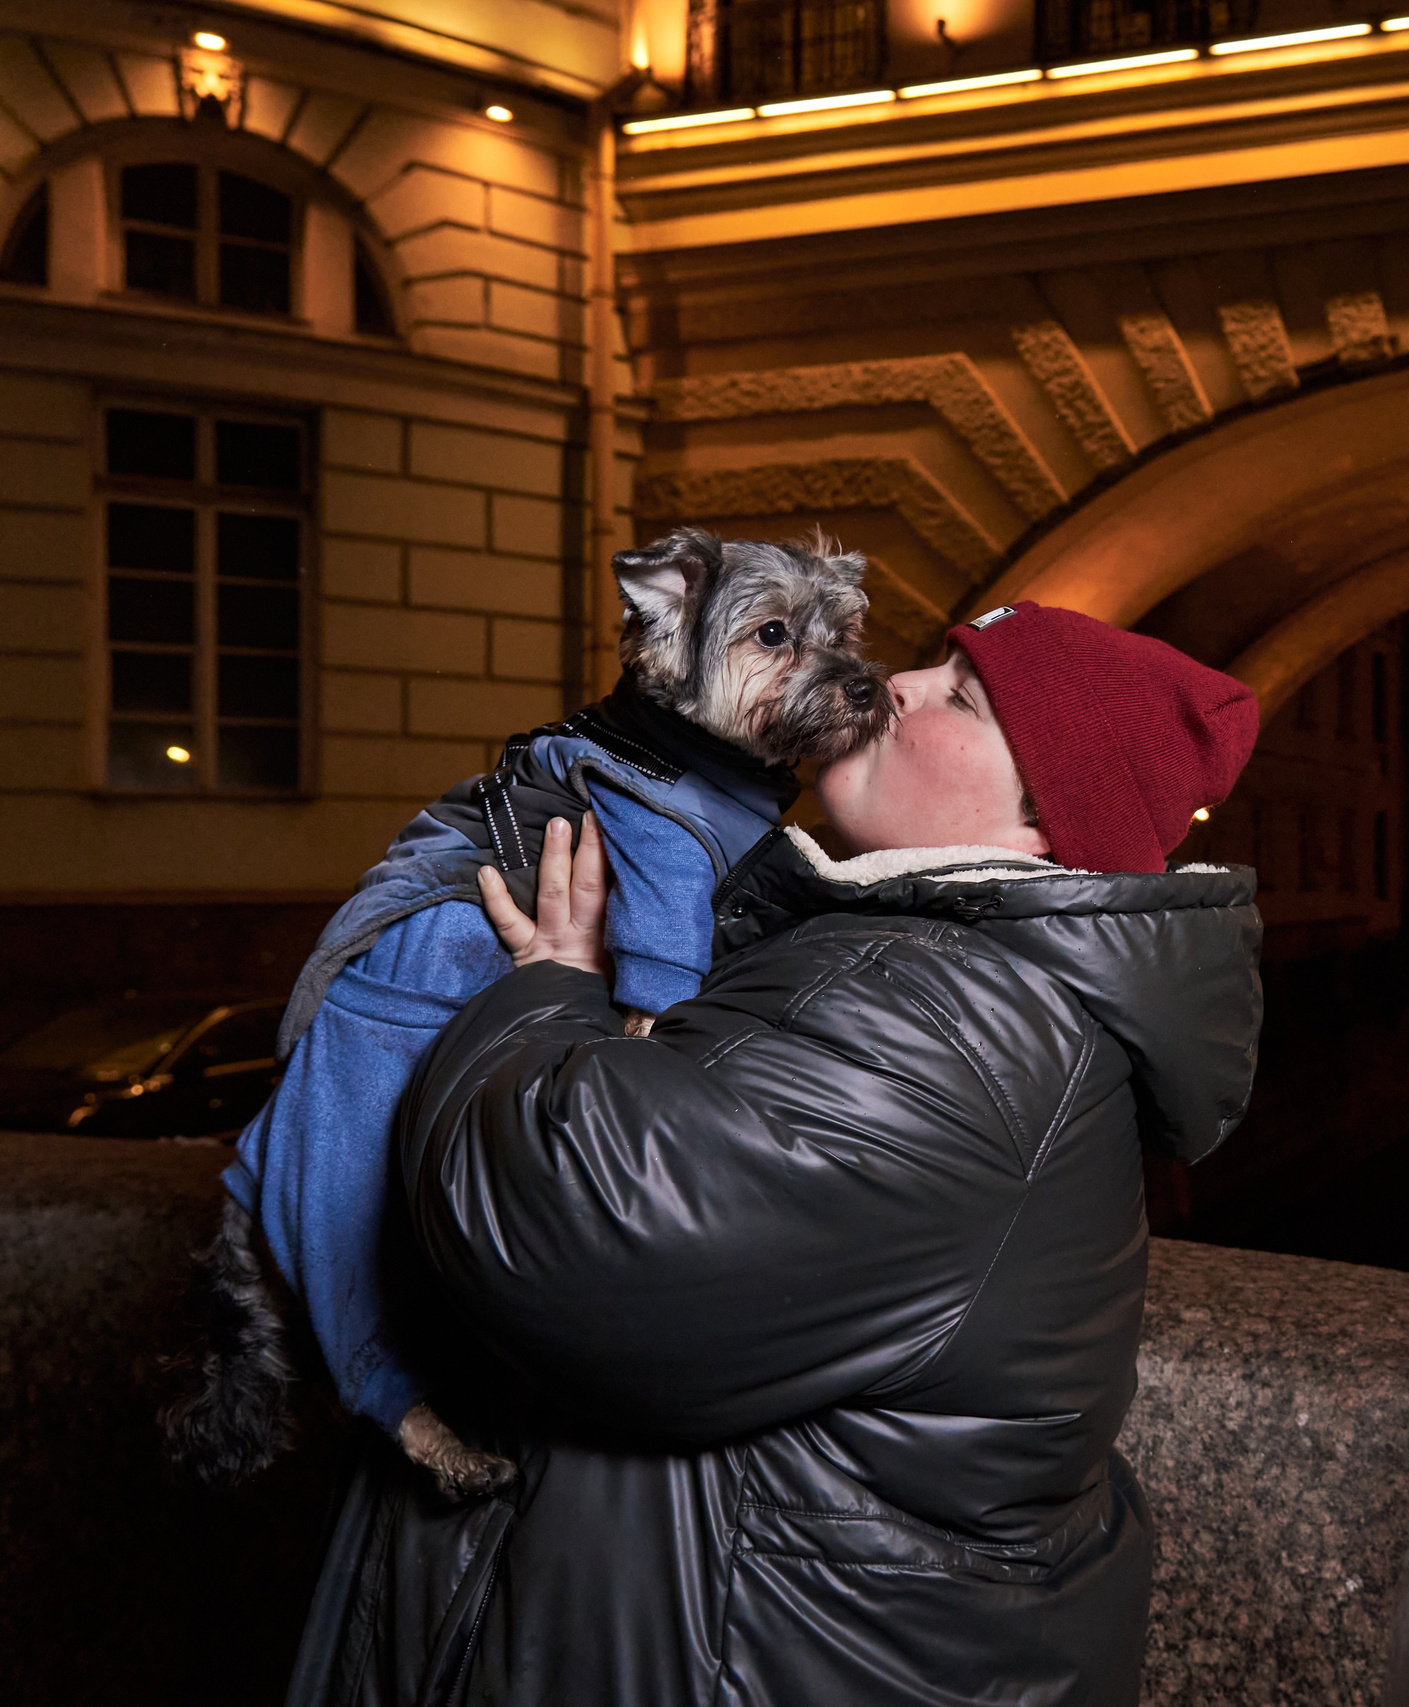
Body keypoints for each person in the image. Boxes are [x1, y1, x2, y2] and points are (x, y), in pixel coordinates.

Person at [282, 603, 1262, 1707]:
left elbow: (576, 1236)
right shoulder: (915, 967)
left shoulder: (952, 1023)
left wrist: (547, 991)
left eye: (962, 697)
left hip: (746, 1655)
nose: (901, 683)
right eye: (934, 663)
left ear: (1040, 819)